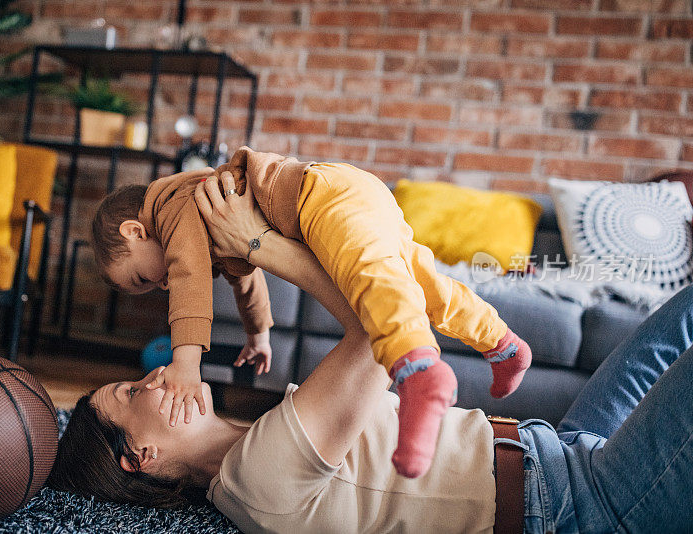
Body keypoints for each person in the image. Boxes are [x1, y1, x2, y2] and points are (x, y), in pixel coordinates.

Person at [49, 176, 693, 533]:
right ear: (141, 457)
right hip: (577, 506)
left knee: (680, 312)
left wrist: (257, 285)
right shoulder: (256, 479)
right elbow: (385, 319)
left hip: (561, 448)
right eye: (134, 394)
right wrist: (259, 244)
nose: (156, 373)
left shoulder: (265, 441)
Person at [90, 147, 532, 477]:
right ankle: (501, 343)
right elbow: (245, 275)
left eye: (143, 279)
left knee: (375, 285)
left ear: (136, 231)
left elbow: (188, 280)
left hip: (321, 201)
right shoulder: (197, 214)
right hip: (346, 193)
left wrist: (186, 363)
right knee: (420, 285)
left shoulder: (174, 210)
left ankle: (419, 372)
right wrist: (258, 333)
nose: (160, 284)